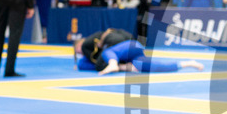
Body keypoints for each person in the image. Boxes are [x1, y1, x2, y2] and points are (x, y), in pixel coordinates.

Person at [74, 28, 203, 74]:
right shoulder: (86, 59)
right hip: (134, 53)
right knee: (154, 66)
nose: (80, 53)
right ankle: (187, 63)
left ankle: (115, 65)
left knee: (107, 53)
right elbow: (83, 64)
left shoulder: (101, 44)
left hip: (129, 46)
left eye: (78, 50)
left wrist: (118, 65)